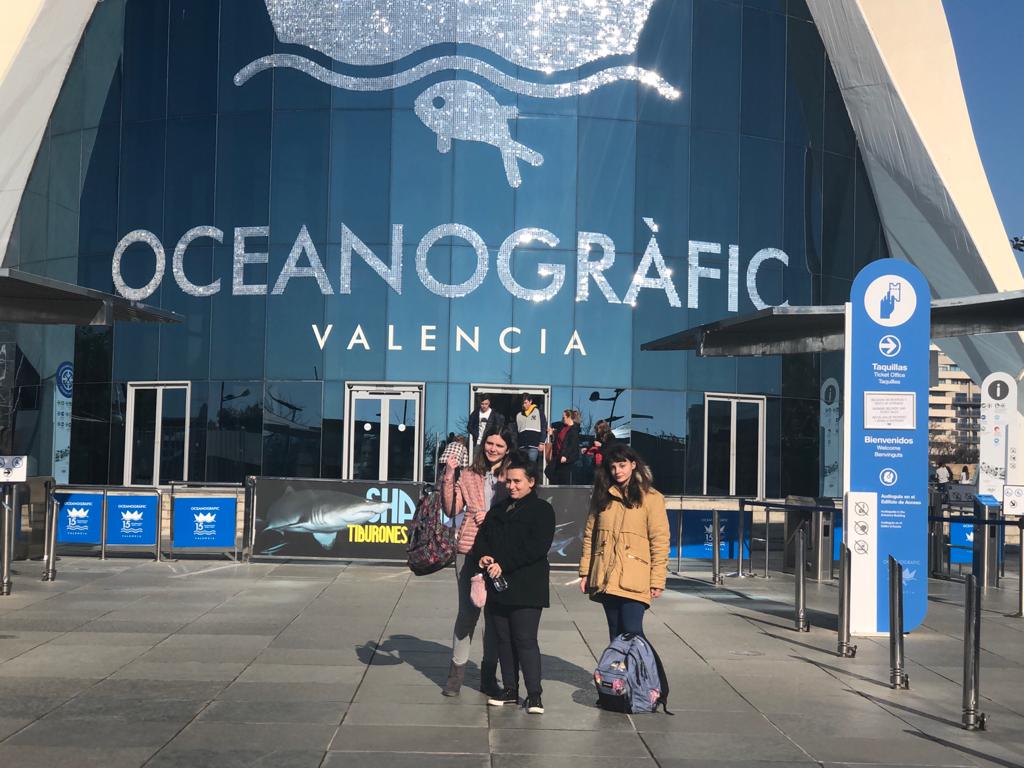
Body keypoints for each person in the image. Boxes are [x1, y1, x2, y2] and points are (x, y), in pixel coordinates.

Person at [472, 452, 555, 714]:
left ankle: (534, 695)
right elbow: (482, 540)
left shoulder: (542, 510)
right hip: (498, 586)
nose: (512, 486)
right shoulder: (498, 509)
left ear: (531, 481)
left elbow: (537, 547)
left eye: (517, 481)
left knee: (525, 639)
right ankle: (510, 689)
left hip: (527, 586)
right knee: (503, 639)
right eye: (508, 481)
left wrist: (504, 564)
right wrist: (483, 556)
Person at [439, 427, 516, 697]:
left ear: (508, 449)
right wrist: (449, 475)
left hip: (501, 552)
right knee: (467, 614)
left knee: (495, 618)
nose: (493, 449)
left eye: (499, 445)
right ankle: (455, 677)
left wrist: (492, 515)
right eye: (490, 443)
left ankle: (488, 677)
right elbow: (451, 509)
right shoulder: (469, 474)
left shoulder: (512, 476)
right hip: (469, 550)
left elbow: (521, 510)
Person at [579, 444, 670, 641]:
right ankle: (622, 664)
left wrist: (657, 580)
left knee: (632, 632)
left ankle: (650, 664)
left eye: (622, 465)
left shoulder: (652, 498)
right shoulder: (602, 496)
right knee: (616, 634)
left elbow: (660, 541)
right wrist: (585, 572)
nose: (617, 471)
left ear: (633, 465)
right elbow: (590, 536)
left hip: (634, 577)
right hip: (605, 575)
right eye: (613, 467)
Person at [546, 409, 581, 485]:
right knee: (548, 471)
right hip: (558, 455)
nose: (562, 419)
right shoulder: (563, 427)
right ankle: (557, 485)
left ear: (569, 417)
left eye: (564, 417)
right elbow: (558, 437)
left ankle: (560, 487)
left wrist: (565, 455)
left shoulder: (574, 430)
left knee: (563, 476)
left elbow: (571, 444)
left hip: (566, 457)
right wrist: (552, 433)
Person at [514, 394, 548, 464]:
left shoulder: (538, 412)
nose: (524, 405)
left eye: (525, 403)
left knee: (531, 466)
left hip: (534, 446)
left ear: (530, 401)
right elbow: (516, 432)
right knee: (522, 466)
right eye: (522, 403)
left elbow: (543, 427)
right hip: (522, 446)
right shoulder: (518, 415)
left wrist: (542, 442)